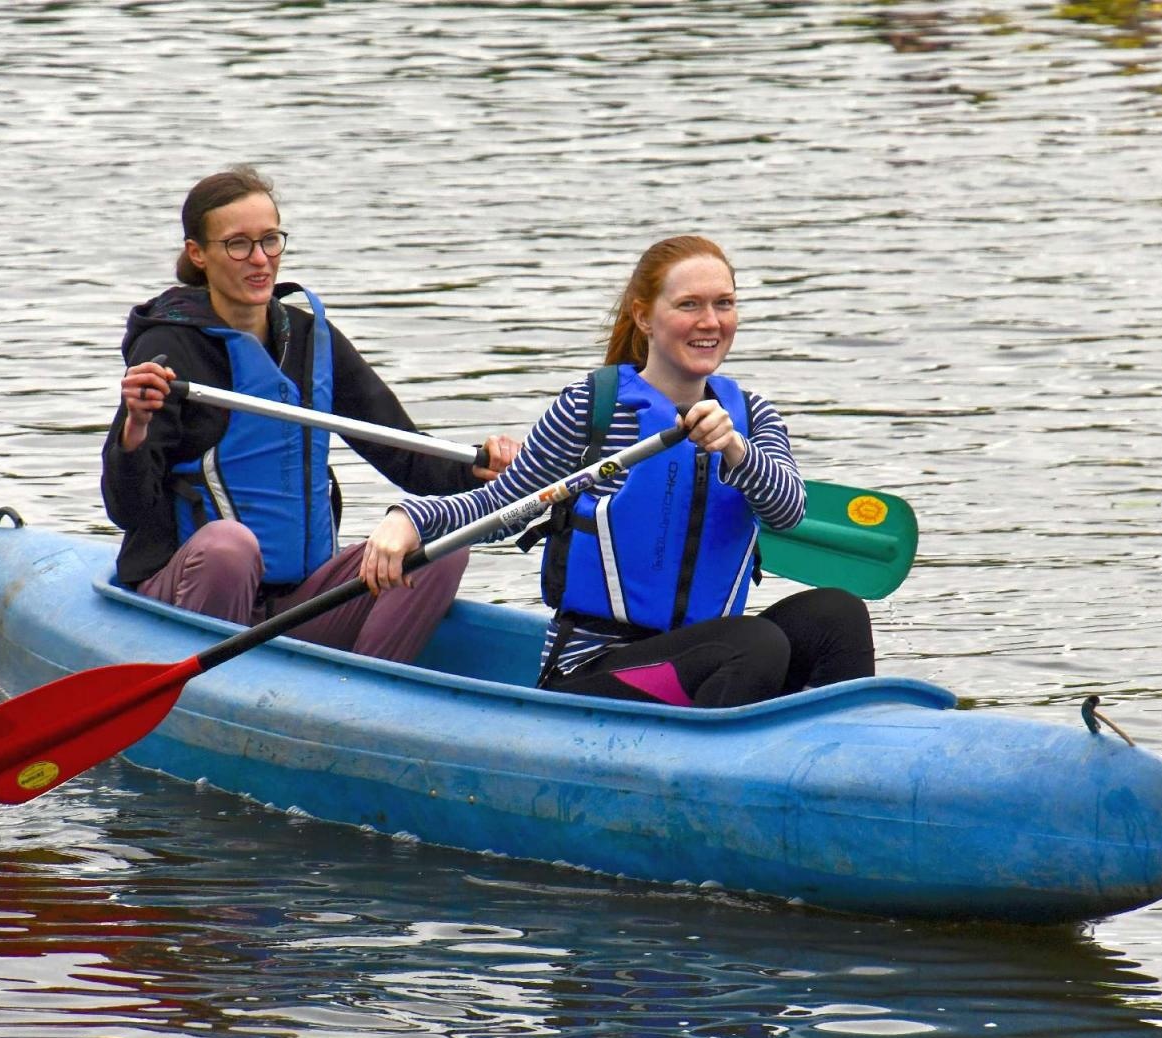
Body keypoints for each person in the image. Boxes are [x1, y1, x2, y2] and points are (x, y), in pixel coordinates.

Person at [359, 235, 875, 707]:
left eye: (724, 303)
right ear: (645, 317)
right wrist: (409, 519)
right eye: (689, 305)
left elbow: (787, 512)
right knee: (754, 643)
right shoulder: (592, 410)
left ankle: (842, 757)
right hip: (595, 669)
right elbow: (501, 508)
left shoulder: (753, 417)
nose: (710, 321)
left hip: (713, 655)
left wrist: (736, 451)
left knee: (837, 615)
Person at [103, 164, 518, 663]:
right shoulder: (168, 348)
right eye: (238, 245)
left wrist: (481, 466)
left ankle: (358, 693)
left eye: (269, 240)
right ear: (199, 254)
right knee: (230, 548)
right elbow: (127, 510)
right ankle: (208, 686)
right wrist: (136, 427)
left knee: (438, 542)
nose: (260, 259)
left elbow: (403, 451)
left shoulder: (310, 340)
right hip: (194, 591)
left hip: (299, 601)